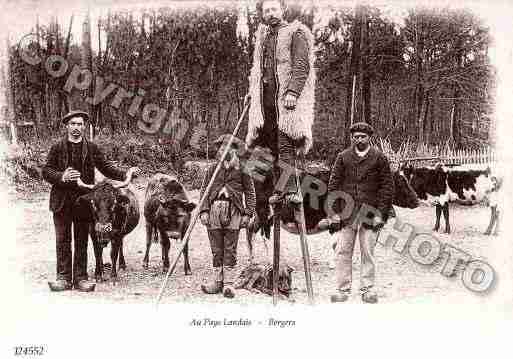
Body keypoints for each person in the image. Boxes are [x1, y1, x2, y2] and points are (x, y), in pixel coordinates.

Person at [42, 110, 139, 292]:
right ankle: (62, 278)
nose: (76, 127)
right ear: (67, 126)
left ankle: (81, 278)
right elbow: (46, 170)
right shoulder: (57, 147)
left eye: (80, 124)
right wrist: (61, 176)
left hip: (85, 202)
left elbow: (106, 167)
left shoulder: (92, 148)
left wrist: (126, 173)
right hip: (61, 201)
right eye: (73, 124)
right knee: (62, 240)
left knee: (81, 240)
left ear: (84, 127)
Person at [245, 0, 315, 206]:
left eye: (274, 9)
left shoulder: (296, 32)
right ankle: (277, 189)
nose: (270, 13)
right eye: (266, 10)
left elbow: (302, 65)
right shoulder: (263, 37)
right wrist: (252, 94)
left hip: (287, 103)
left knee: (285, 144)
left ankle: (291, 189)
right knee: (268, 147)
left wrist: (293, 92)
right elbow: (257, 72)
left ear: (283, 10)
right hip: (265, 104)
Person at [327, 122, 394, 304]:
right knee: (342, 251)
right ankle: (342, 289)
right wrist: (334, 213)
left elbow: (387, 187)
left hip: (370, 213)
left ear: (369, 137)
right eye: (356, 137)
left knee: (368, 252)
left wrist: (381, 213)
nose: (359, 140)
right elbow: (333, 186)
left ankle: (368, 289)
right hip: (346, 213)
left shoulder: (380, 158)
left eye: (362, 137)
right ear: (352, 138)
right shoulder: (343, 157)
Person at [199, 135, 256, 298]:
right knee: (217, 248)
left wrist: (248, 213)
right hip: (214, 210)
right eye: (222, 148)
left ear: (235, 150)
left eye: (229, 148)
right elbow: (204, 191)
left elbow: (250, 192)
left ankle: (229, 284)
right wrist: (204, 210)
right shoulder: (212, 169)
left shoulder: (243, 169)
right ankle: (217, 282)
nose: (224, 151)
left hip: (234, 211)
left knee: (230, 248)